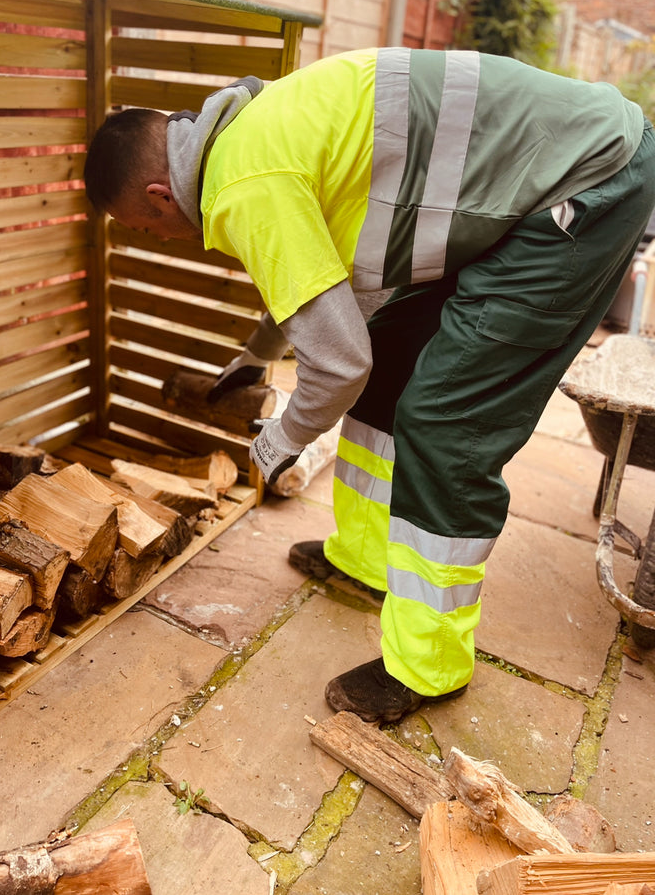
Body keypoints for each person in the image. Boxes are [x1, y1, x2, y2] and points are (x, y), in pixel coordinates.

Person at [84, 47, 655, 724]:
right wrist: (257, 351)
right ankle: (365, 557)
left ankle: (429, 664)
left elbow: (335, 364)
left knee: (445, 422)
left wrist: (281, 439)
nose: (159, 238)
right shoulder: (240, 134)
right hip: (520, 182)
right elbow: (319, 273)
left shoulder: (241, 185)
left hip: (585, 180)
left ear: (157, 194)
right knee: (387, 362)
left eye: (145, 228)